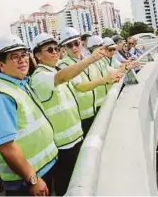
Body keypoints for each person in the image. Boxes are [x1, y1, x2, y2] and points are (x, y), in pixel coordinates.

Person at [30, 33, 107, 196]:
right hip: (62, 146)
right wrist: (90, 59)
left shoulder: (55, 69)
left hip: (75, 139)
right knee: (67, 188)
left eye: (56, 49)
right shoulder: (39, 77)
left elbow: (80, 86)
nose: (55, 52)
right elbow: (62, 77)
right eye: (49, 49)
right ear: (37, 55)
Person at [0, 34, 58, 196]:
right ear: (0, 64)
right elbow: (6, 146)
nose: (22, 60)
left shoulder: (20, 84)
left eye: (24, 55)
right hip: (26, 181)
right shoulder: (0, 95)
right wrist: (33, 179)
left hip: (43, 170)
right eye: (14, 57)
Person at [58, 27, 119, 136]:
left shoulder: (87, 59)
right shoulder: (64, 65)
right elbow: (80, 86)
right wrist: (104, 80)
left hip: (95, 109)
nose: (74, 47)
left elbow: (109, 72)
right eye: (69, 45)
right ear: (64, 48)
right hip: (82, 116)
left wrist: (125, 67)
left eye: (76, 43)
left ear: (81, 43)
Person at [87, 35, 122, 111]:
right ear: (94, 49)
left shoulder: (101, 61)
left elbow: (113, 71)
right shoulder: (89, 63)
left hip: (105, 99)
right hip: (96, 104)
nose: (104, 50)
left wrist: (124, 68)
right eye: (102, 48)